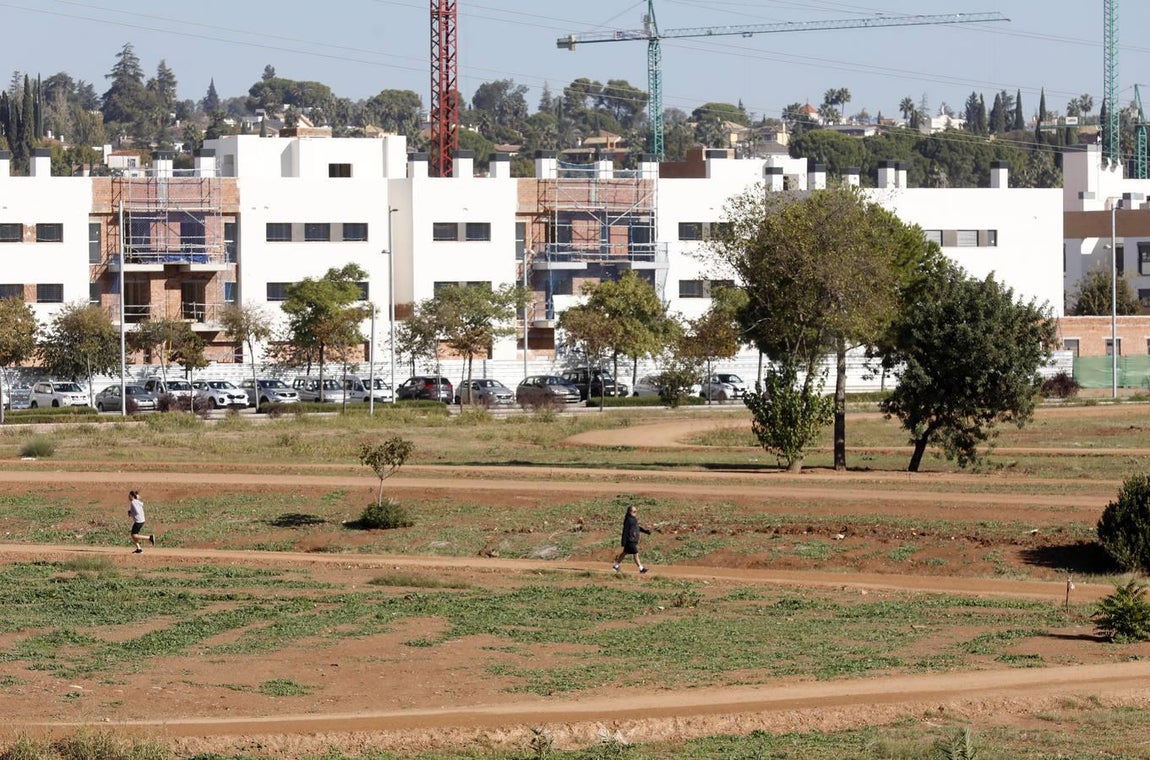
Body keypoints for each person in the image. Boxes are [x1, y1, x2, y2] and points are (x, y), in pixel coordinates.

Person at [613, 504, 650, 574]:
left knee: (624, 553)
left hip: (632, 540)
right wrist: (623, 541)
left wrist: (645, 531)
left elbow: (637, 528)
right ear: (629, 512)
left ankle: (616, 565)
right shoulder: (628, 520)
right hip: (630, 540)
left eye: (636, 511)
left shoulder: (633, 519)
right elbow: (625, 530)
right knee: (636, 553)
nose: (635, 513)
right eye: (634, 511)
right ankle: (641, 568)